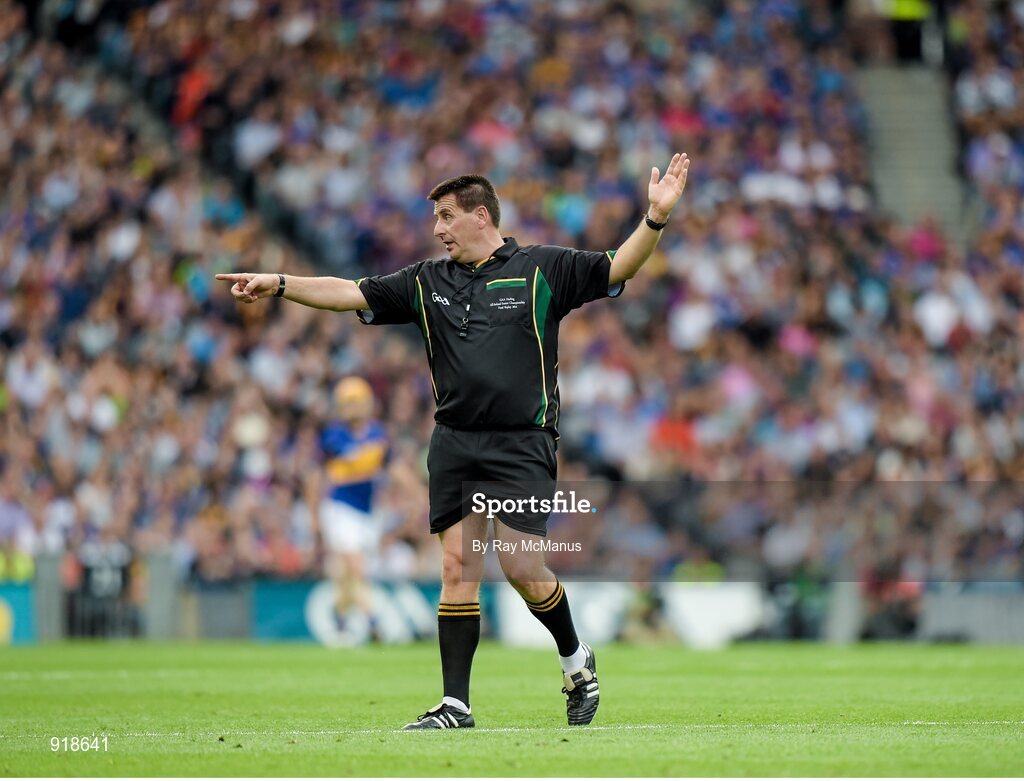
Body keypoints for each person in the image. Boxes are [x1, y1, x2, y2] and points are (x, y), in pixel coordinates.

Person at [215, 152, 690, 729]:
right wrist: (280, 284)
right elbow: (349, 292)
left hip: (522, 443)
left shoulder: (542, 269)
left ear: (481, 215)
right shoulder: (425, 281)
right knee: (457, 568)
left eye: (445, 216)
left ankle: (575, 659)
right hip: (455, 442)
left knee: (520, 564)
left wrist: (656, 219)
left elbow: (618, 267)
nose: (437, 229)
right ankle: (456, 705)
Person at [309, 376, 389, 643]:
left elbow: (390, 468)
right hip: (340, 508)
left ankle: (340, 619)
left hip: (367, 512)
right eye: (348, 403)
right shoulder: (333, 435)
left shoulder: (379, 433)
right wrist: (314, 516)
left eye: (357, 402)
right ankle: (374, 620)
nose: (353, 408)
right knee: (358, 568)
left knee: (344, 573)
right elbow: (315, 475)